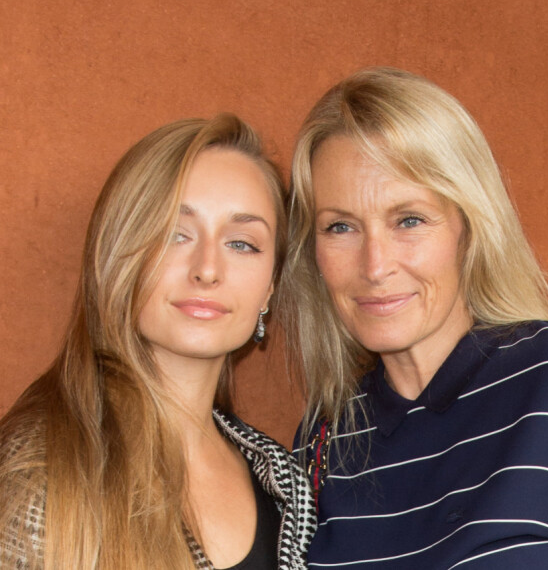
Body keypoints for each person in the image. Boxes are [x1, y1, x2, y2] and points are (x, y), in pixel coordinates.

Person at [283, 67, 548, 569]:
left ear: (470, 226)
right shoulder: (324, 439)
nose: (375, 266)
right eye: (340, 227)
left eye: (409, 220)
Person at [0, 114, 316, 569]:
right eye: (175, 234)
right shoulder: (43, 467)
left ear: (270, 287)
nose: (207, 269)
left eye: (242, 244)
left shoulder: (286, 480)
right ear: (118, 253)